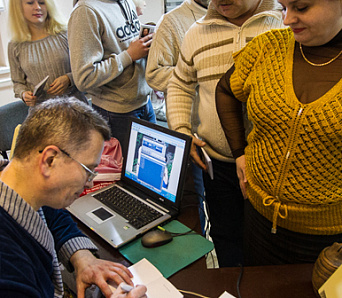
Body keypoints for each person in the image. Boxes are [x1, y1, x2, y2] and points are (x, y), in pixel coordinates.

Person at [216, 0, 342, 266]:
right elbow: (226, 90)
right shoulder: (268, 47)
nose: (286, 19)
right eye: (284, 7)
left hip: (329, 241)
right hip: (258, 221)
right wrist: (239, 154)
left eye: (301, 7)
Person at [167, 0, 284, 267]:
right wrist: (182, 131)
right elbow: (180, 84)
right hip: (216, 163)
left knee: (267, 243)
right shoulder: (196, 32)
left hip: (269, 166)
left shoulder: (284, 23)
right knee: (225, 236)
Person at [0, 98, 147, 298]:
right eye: (89, 170)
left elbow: (52, 216)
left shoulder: (19, 182)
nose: (90, 183)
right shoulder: (6, 259)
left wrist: (82, 257)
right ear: (50, 160)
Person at [145, 0, 208, 235]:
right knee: (196, 202)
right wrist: (199, 74)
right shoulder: (173, 21)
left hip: (235, 139)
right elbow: (153, 73)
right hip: (192, 133)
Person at [68, 0, 155, 150]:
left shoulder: (125, 2)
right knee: (125, 173)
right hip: (116, 114)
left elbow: (127, 44)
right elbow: (84, 78)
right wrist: (128, 56)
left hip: (144, 104)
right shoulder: (85, 11)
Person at [8, 0, 86, 106]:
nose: (38, 7)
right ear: (18, 8)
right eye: (30, 3)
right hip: (42, 114)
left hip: (76, 108)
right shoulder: (15, 46)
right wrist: (24, 94)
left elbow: (86, 69)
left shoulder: (66, 33)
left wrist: (69, 79)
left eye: (42, 2)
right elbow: (18, 83)